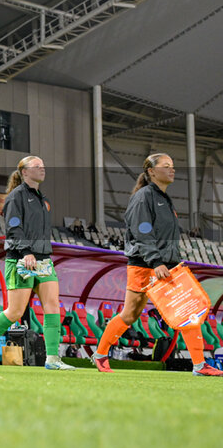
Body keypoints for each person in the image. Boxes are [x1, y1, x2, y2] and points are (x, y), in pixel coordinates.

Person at [92, 154, 222, 376]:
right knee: (131, 314)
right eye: (166, 166)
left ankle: (199, 364)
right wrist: (156, 261)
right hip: (146, 265)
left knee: (188, 309)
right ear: (152, 171)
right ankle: (100, 354)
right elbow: (142, 231)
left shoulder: (164, 198)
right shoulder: (143, 197)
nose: (172, 170)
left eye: (173, 166)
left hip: (167, 265)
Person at [0, 157, 75, 370]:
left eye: (43, 165)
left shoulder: (41, 198)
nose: (43, 168)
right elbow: (13, 228)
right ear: (24, 172)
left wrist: (40, 254)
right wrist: (26, 252)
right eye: (37, 166)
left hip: (43, 259)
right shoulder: (15, 197)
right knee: (15, 312)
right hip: (21, 258)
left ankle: (52, 358)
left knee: (52, 306)